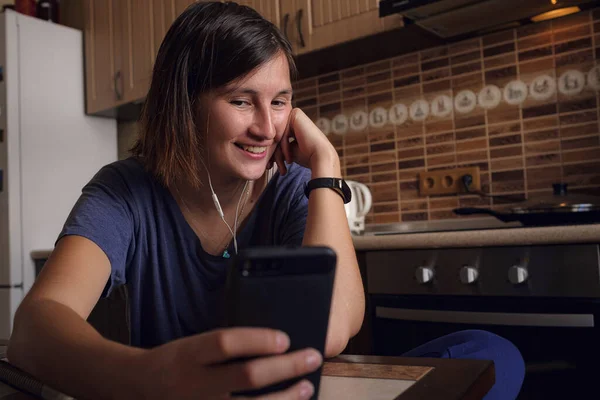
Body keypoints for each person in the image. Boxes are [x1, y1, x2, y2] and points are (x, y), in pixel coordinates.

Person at [7, 2, 524, 400]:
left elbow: (335, 329)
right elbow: (35, 326)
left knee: (495, 354)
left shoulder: (294, 188)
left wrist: (326, 169)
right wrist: (149, 376)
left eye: (279, 101)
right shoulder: (124, 191)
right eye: (240, 100)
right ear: (184, 105)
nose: (266, 126)